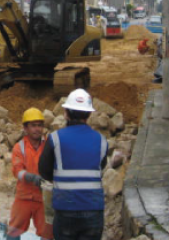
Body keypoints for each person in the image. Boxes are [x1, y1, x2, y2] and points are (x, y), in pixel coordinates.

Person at [38, 89, 108, 240]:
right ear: (89, 114)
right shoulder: (102, 140)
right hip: (93, 209)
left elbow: (43, 171)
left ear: (66, 112)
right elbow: (100, 168)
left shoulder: (55, 138)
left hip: (65, 209)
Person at [6, 108, 53, 240]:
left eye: (39, 125)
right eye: (33, 126)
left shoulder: (49, 146)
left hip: (43, 198)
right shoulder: (19, 147)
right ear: (25, 128)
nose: (37, 129)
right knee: (13, 231)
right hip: (24, 197)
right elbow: (17, 170)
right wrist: (31, 177)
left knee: (48, 234)